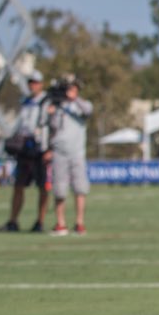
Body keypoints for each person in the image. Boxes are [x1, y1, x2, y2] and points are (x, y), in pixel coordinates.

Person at [0, 70, 48, 233]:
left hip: (39, 148)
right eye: (30, 82)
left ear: (41, 84)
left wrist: (49, 148)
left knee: (42, 187)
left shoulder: (46, 102)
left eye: (35, 82)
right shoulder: (25, 102)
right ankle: (13, 221)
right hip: (24, 149)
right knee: (18, 185)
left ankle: (40, 222)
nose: (32, 85)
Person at [46, 75, 93, 236]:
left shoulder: (82, 105)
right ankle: (61, 223)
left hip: (77, 152)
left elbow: (88, 111)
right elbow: (51, 128)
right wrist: (51, 111)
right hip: (59, 152)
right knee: (59, 189)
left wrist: (75, 98)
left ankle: (79, 222)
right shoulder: (57, 107)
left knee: (80, 188)